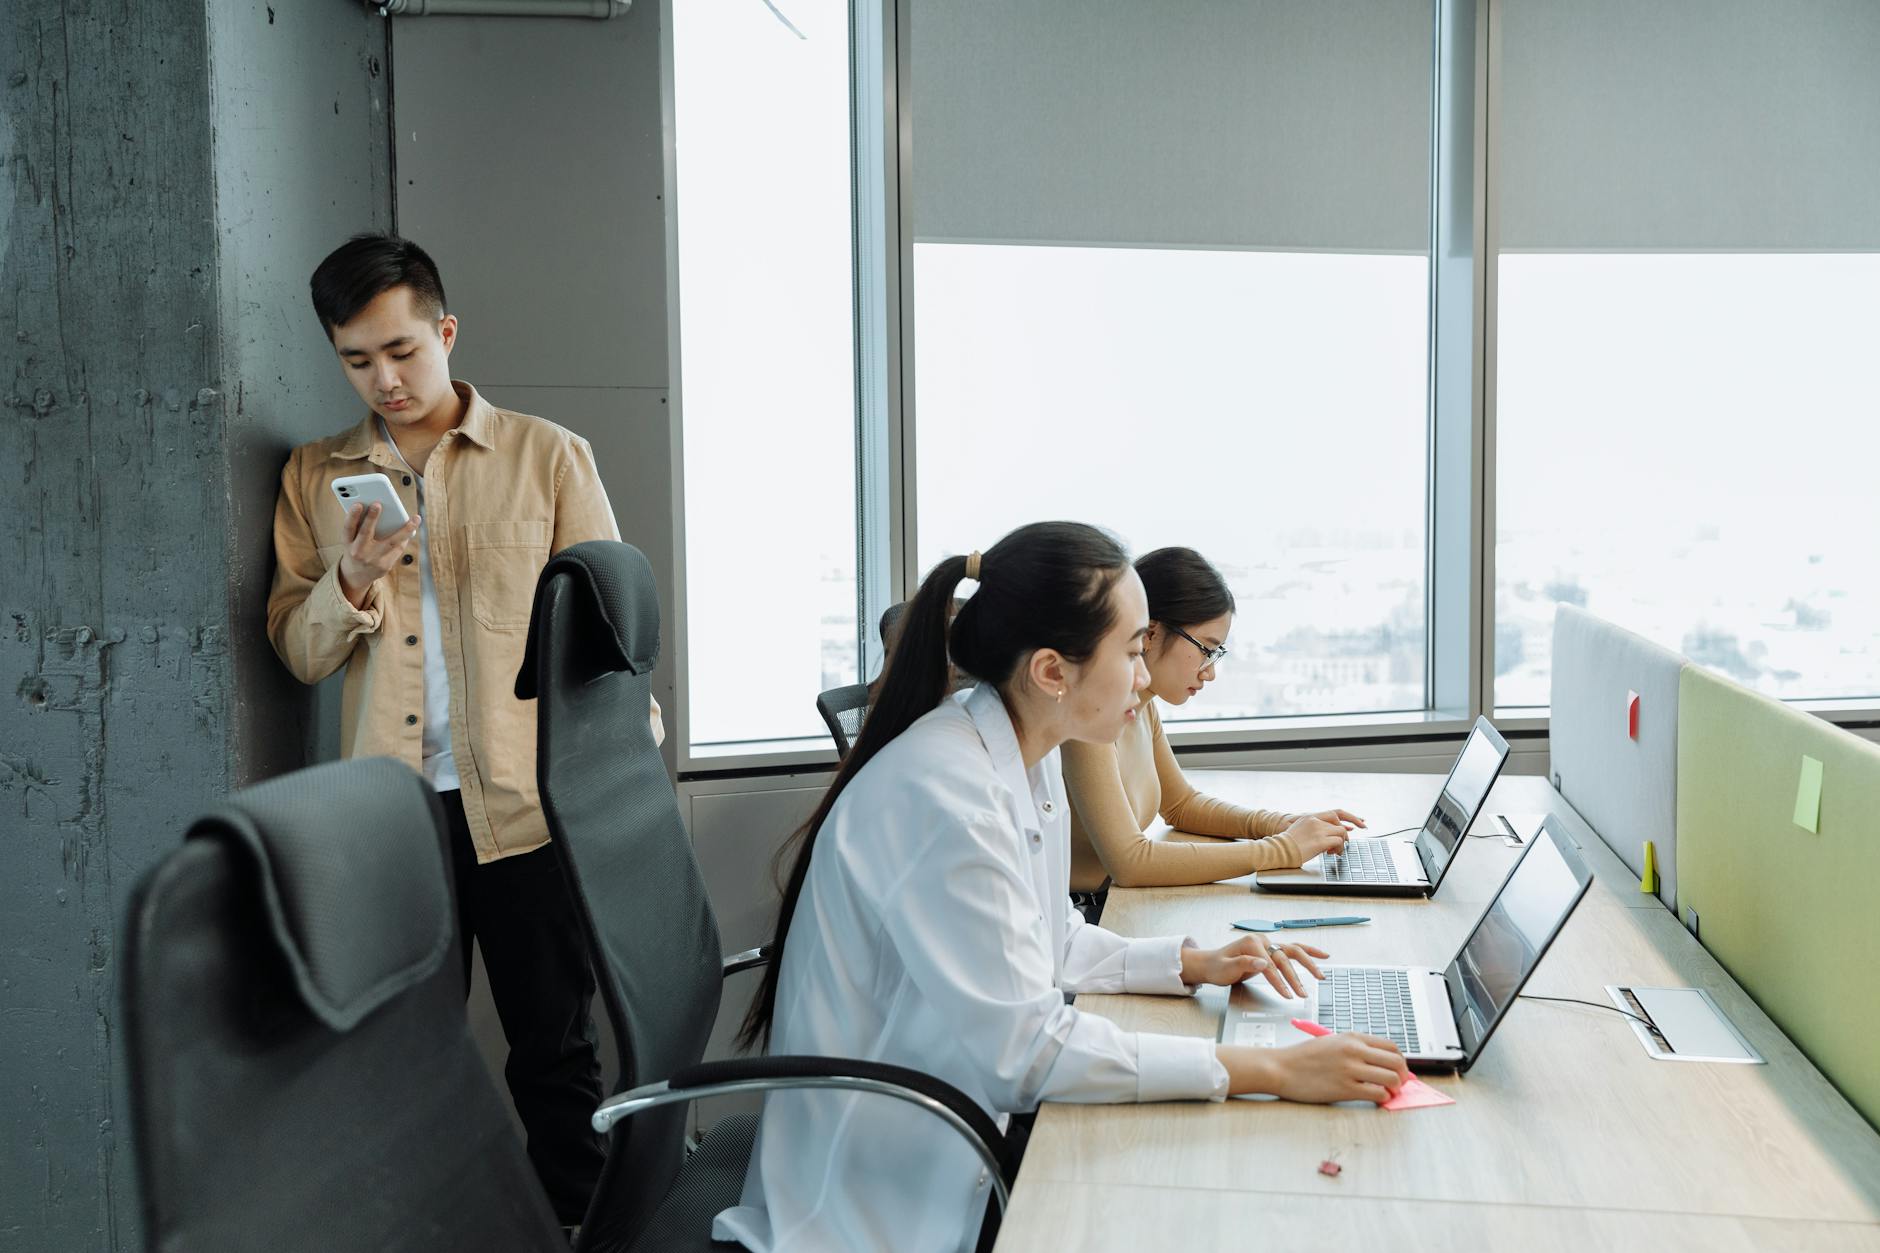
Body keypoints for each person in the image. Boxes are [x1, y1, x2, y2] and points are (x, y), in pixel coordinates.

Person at [713, 522, 1408, 1253]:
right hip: (875, 1205)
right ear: (1052, 671)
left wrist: (1190, 962)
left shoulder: (1020, 749)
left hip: (954, 1132)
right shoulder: (951, 799)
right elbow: (1029, 1055)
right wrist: (1267, 1067)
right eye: (1133, 651)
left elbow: (1050, 935)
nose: (1145, 677)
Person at [265, 233, 657, 1228]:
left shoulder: (548, 455)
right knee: (405, 1060)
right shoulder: (315, 476)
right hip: (391, 822)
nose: (385, 380)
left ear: (444, 332)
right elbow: (298, 651)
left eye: (402, 350)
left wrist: (617, 777)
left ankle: (577, 1225)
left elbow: (610, 639)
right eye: (357, 360)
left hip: (527, 807)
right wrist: (352, 578)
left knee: (555, 1053)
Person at [1061, 547, 1364, 918]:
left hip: (1113, 909)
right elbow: (1131, 862)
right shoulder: (1089, 718)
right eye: (1205, 649)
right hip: (1082, 918)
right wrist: (1283, 849)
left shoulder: (1142, 706)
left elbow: (1180, 805)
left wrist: (1280, 825)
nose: (1210, 672)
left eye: (1216, 654)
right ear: (1150, 633)